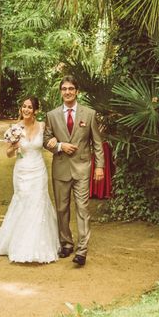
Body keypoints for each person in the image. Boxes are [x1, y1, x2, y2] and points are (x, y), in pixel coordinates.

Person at [0, 97, 60, 263]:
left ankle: (38, 245)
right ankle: (18, 243)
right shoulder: (15, 128)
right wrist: (13, 146)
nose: (26, 110)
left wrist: (55, 140)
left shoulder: (42, 126)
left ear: (36, 110)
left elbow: (51, 141)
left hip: (38, 171)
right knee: (23, 202)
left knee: (38, 203)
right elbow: (8, 154)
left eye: (29, 107)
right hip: (21, 171)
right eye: (24, 107)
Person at [44, 76, 105, 266]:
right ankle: (66, 243)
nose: (67, 92)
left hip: (82, 169)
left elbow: (97, 143)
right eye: (64, 89)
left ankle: (82, 250)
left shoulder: (89, 114)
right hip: (60, 168)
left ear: (77, 91)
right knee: (62, 209)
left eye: (71, 88)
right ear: (60, 91)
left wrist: (100, 166)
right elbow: (46, 140)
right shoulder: (51, 115)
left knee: (82, 208)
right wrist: (59, 145)